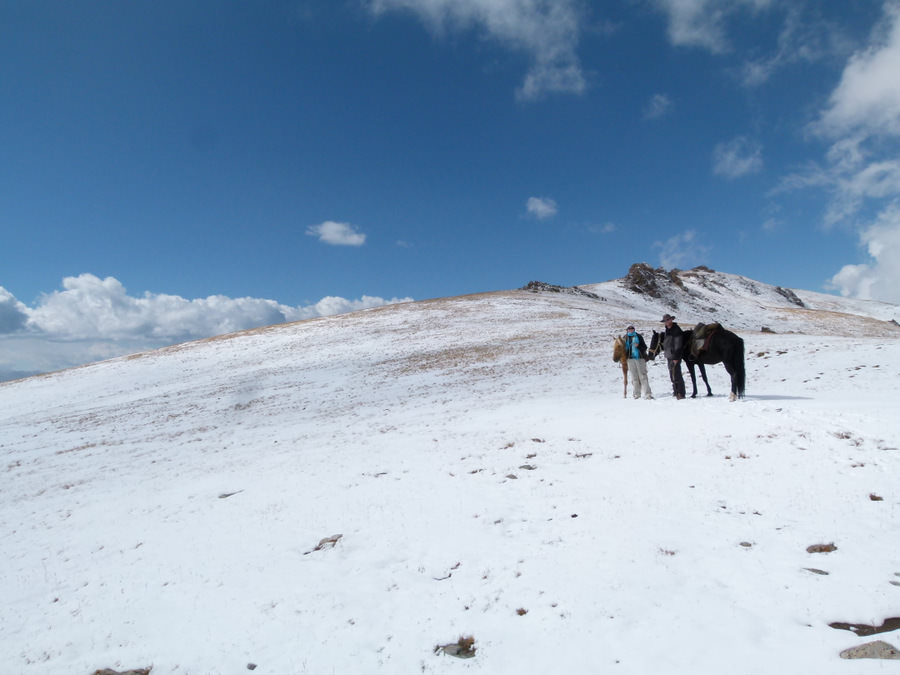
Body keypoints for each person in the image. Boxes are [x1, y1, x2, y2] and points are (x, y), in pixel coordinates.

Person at [624, 325, 653, 400]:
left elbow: (645, 347)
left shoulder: (639, 336)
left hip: (640, 358)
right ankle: (636, 394)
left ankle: (648, 394)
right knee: (634, 377)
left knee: (643, 376)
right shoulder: (625, 338)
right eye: (629, 328)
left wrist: (638, 346)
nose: (631, 330)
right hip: (630, 359)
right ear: (627, 330)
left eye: (632, 328)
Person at [661, 314, 686, 400]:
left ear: (671, 320)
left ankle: (681, 393)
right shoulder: (667, 330)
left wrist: (676, 357)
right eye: (665, 321)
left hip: (675, 355)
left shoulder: (676, 330)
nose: (667, 322)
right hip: (669, 355)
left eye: (668, 320)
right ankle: (676, 391)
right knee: (672, 374)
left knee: (677, 374)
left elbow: (678, 345)